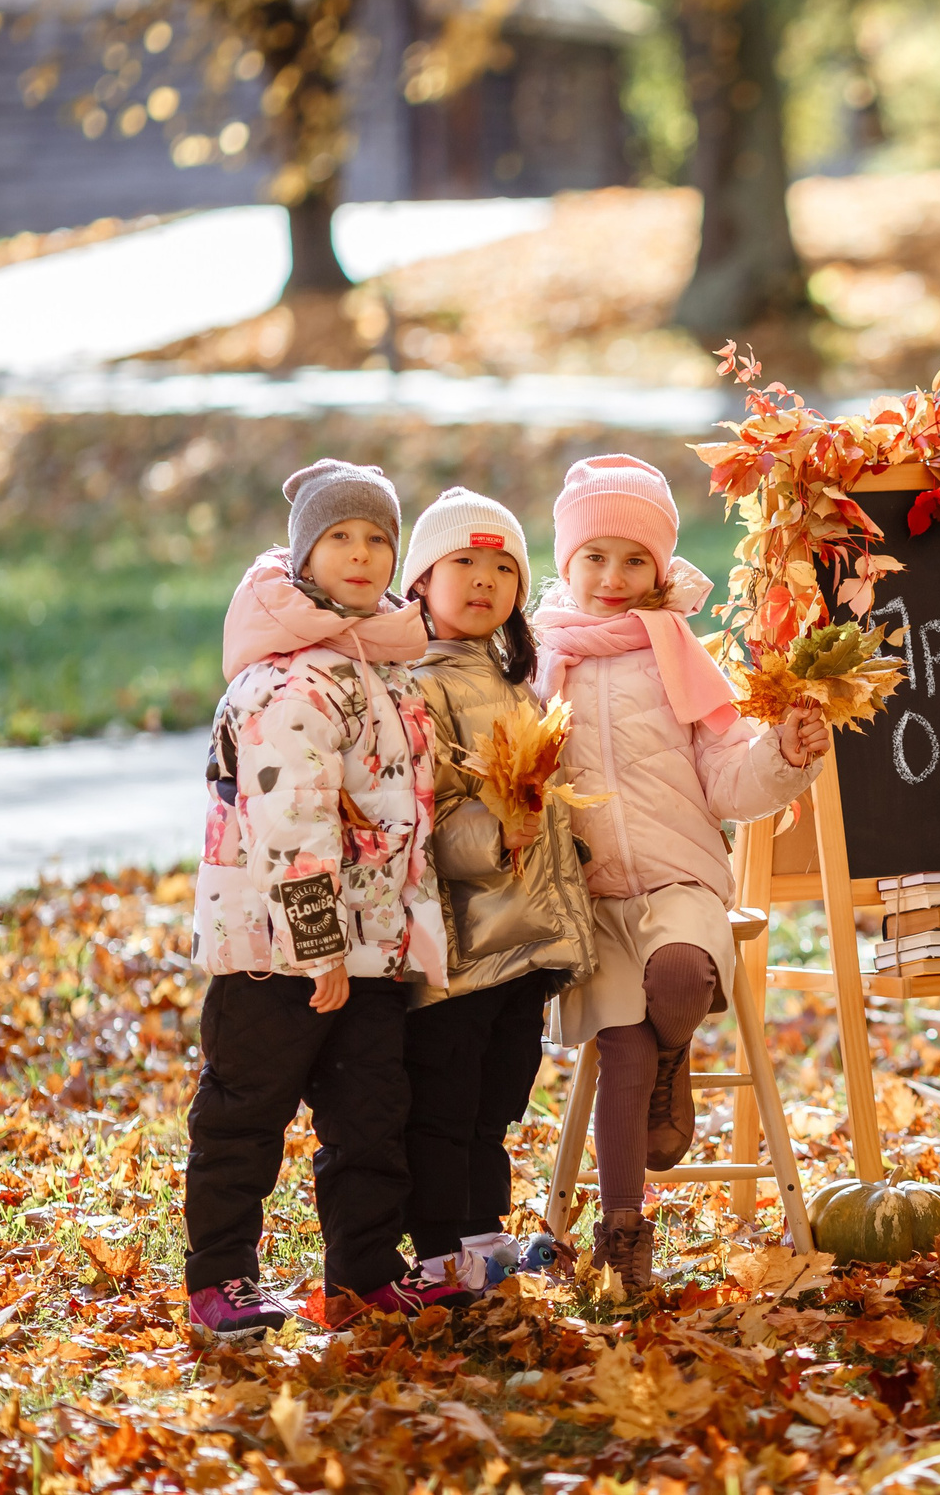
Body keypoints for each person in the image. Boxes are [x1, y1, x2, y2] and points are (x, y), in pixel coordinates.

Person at [182, 460, 470, 1340]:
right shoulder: (291, 680)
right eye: (339, 537)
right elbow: (292, 821)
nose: (360, 553)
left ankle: (363, 1274)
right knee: (246, 1110)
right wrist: (318, 949)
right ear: (304, 555)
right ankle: (221, 1276)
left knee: (371, 1117)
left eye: (377, 538)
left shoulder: (382, 664)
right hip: (277, 953)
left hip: (368, 947)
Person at [535, 455, 828, 1294]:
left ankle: (675, 1055)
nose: (614, 578)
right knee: (622, 1044)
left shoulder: (676, 654)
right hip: (589, 899)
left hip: (679, 883)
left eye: (635, 560)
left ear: (660, 567)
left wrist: (783, 756)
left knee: (679, 976)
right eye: (595, 557)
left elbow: (729, 778)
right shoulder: (538, 662)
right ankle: (623, 1234)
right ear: (567, 563)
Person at [400, 488, 593, 1291]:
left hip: (522, 943)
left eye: (504, 567)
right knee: (446, 1105)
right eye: (464, 562)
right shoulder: (420, 687)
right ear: (419, 581)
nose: (485, 579)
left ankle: (483, 1235)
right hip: (462, 948)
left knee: (497, 1103)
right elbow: (429, 819)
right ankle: (440, 1250)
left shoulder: (516, 682)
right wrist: (496, 836)